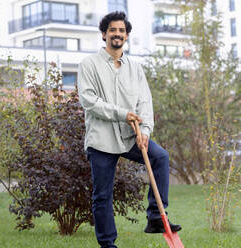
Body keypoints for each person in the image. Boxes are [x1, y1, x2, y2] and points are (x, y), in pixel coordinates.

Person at [77, 11, 181, 248]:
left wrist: (145, 131)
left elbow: (145, 102)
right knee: (103, 195)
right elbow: (89, 102)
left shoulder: (135, 68)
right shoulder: (88, 65)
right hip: (102, 140)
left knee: (160, 157)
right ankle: (107, 244)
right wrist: (123, 114)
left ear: (126, 36)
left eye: (121, 31)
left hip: (130, 136)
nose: (117, 34)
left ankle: (155, 216)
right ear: (104, 34)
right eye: (112, 30)